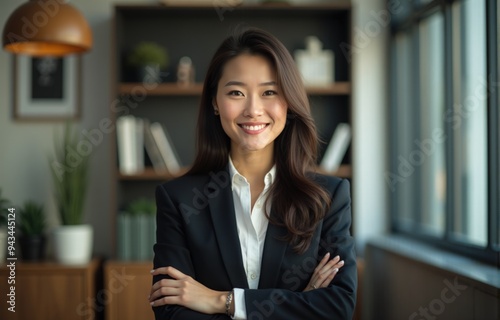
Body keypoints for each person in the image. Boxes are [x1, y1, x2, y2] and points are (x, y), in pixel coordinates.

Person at [148, 27, 357, 319]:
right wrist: (298, 304)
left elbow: (337, 308)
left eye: (269, 92)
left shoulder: (329, 197)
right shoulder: (178, 199)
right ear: (215, 102)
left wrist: (222, 301)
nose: (253, 109)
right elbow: (171, 312)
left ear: (289, 101)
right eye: (236, 93)